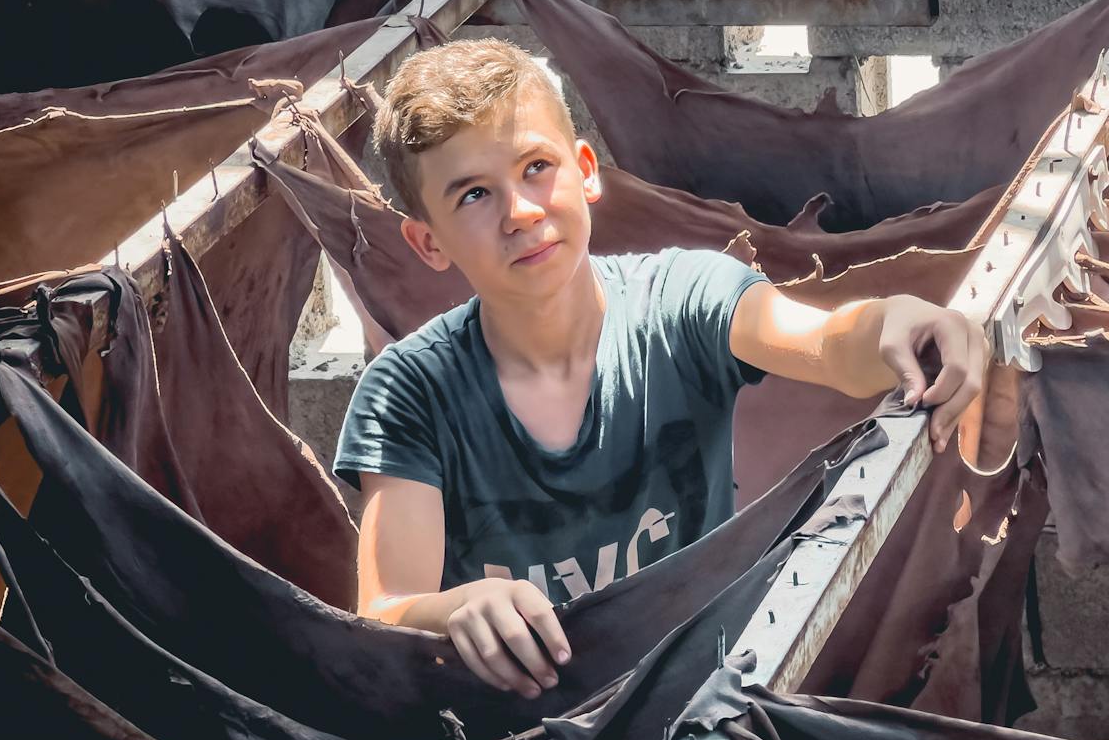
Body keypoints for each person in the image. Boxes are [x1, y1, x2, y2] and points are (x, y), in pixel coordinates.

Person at [332, 39, 986, 700]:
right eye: (474, 194)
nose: (520, 213)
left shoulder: (681, 298)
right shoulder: (408, 392)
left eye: (536, 167)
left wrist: (896, 320)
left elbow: (826, 344)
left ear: (586, 171)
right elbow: (384, 609)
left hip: (698, 715)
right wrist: (452, 609)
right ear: (429, 242)